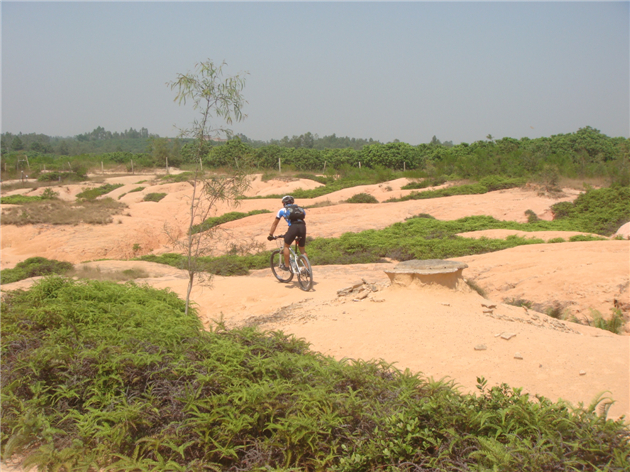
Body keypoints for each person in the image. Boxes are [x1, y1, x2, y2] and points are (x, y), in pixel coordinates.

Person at [267, 195, 307, 271]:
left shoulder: (282, 210)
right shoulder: (300, 209)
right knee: (302, 249)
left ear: (284, 203)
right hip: (303, 227)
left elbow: (275, 224)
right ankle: (307, 269)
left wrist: (271, 235)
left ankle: (286, 266)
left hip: (293, 227)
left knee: (286, 246)